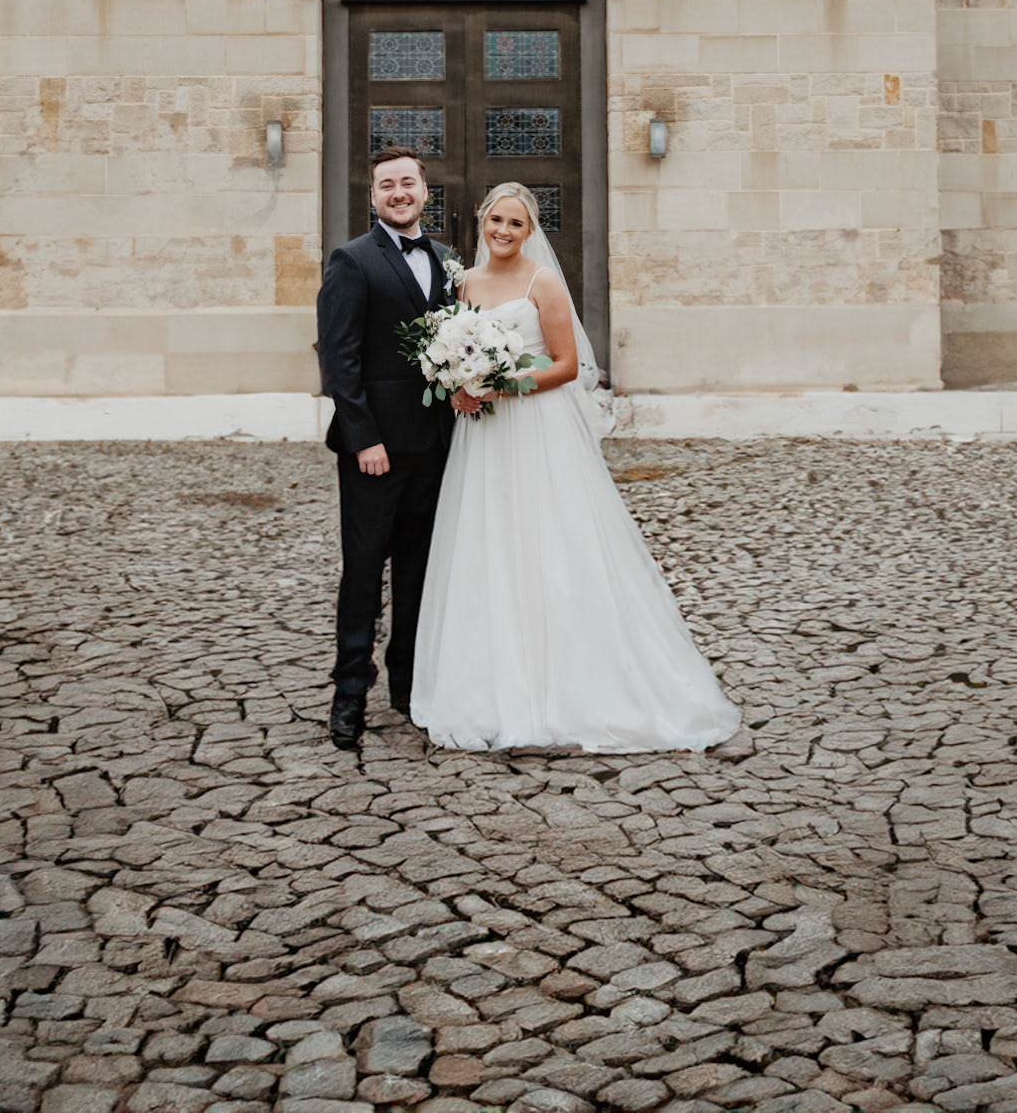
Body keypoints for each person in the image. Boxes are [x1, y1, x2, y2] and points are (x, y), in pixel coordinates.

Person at [411, 181, 743, 753]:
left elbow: (566, 365)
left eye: (516, 224)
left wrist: (502, 384)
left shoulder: (542, 282)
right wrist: (462, 386)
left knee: (551, 538)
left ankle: (575, 681)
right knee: (489, 540)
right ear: (482, 221)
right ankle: (489, 684)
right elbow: (456, 355)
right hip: (483, 435)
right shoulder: (463, 283)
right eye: (497, 220)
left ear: (529, 231)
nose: (504, 231)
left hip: (536, 425)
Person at [316, 148, 455, 748]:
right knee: (365, 571)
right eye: (386, 185)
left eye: (408, 182)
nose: (398, 192)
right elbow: (338, 358)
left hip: (436, 446)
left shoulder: (448, 260)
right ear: (372, 196)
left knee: (421, 571)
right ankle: (349, 692)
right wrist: (364, 438)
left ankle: (409, 684)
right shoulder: (351, 260)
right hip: (375, 452)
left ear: (425, 190)